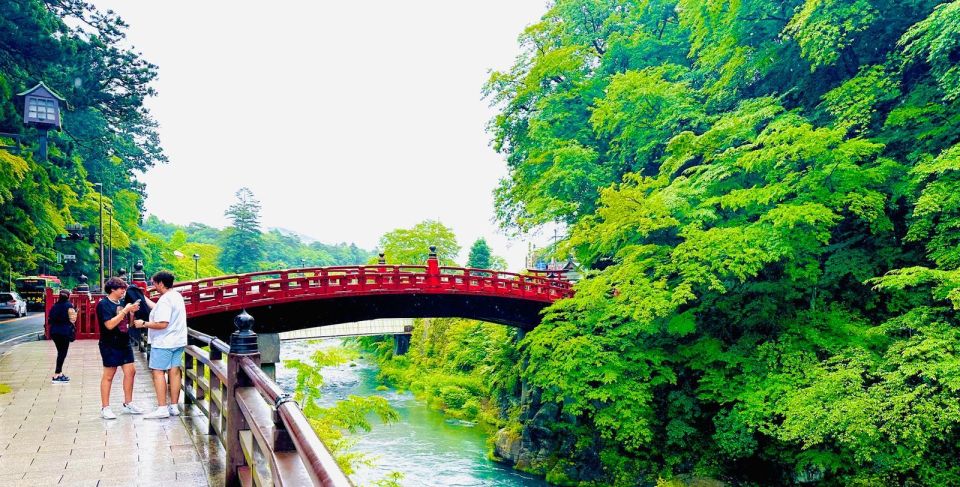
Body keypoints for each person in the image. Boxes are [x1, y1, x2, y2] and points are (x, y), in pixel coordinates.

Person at [133, 270, 187, 419]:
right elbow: (157, 308)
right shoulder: (175, 296)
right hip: (178, 340)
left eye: (154, 283)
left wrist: (143, 323)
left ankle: (162, 407)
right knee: (174, 371)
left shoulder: (165, 300)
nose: (153, 286)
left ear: (161, 283)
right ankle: (174, 406)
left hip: (164, 342)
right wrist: (142, 298)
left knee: (158, 372)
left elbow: (163, 324)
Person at [97, 277, 144, 419]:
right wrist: (125, 311)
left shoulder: (123, 302)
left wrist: (131, 312)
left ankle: (128, 402)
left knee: (131, 371)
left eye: (124, 288)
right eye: (121, 288)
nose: (124, 291)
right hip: (109, 342)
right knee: (109, 375)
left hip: (124, 341)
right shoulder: (103, 304)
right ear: (112, 289)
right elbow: (109, 325)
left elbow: (128, 324)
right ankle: (105, 407)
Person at [48, 289, 75, 383]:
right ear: (68, 296)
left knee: (60, 352)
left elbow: (50, 319)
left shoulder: (55, 306)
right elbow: (73, 319)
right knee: (62, 353)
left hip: (54, 331)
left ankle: (59, 373)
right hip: (64, 332)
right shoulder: (69, 305)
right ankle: (56, 375)